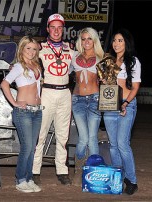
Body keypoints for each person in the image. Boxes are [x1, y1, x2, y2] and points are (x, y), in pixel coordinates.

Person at [32, 13, 74, 186]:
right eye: (53, 27)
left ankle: (62, 171)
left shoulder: (71, 48)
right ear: (48, 29)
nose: (56, 31)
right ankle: (35, 170)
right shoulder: (39, 48)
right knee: (40, 135)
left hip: (65, 93)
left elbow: (79, 67)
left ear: (63, 29)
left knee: (63, 135)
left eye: (59, 28)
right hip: (47, 92)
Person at [1, 36, 43, 193]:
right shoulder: (18, 66)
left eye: (34, 49)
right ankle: (20, 179)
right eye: (28, 48)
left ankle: (29, 178)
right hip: (23, 112)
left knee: (32, 148)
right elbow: (4, 84)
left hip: (37, 111)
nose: (31, 52)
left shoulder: (36, 65)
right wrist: (14, 103)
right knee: (27, 147)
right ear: (22, 49)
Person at [103, 28, 141, 195]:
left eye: (120, 40)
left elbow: (135, 87)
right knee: (113, 146)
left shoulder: (133, 61)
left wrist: (126, 103)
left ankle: (131, 180)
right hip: (110, 106)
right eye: (114, 41)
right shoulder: (108, 61)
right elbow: (106, 85)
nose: (116, 43)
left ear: (126, 42)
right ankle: (118, 177)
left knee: (123, 144)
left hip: (127, 105)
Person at [70, 27, 104, 186]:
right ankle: (78, 169)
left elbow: (109, 81)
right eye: (83, 39)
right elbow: (60, 71)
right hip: (77, 100)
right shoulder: (74, 56)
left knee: (92, 138)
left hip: (95, 100)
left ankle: (94, 173)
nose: (86, 42)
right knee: (83, 138)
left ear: (94, 40)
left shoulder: (101, 58)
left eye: (89, 38)